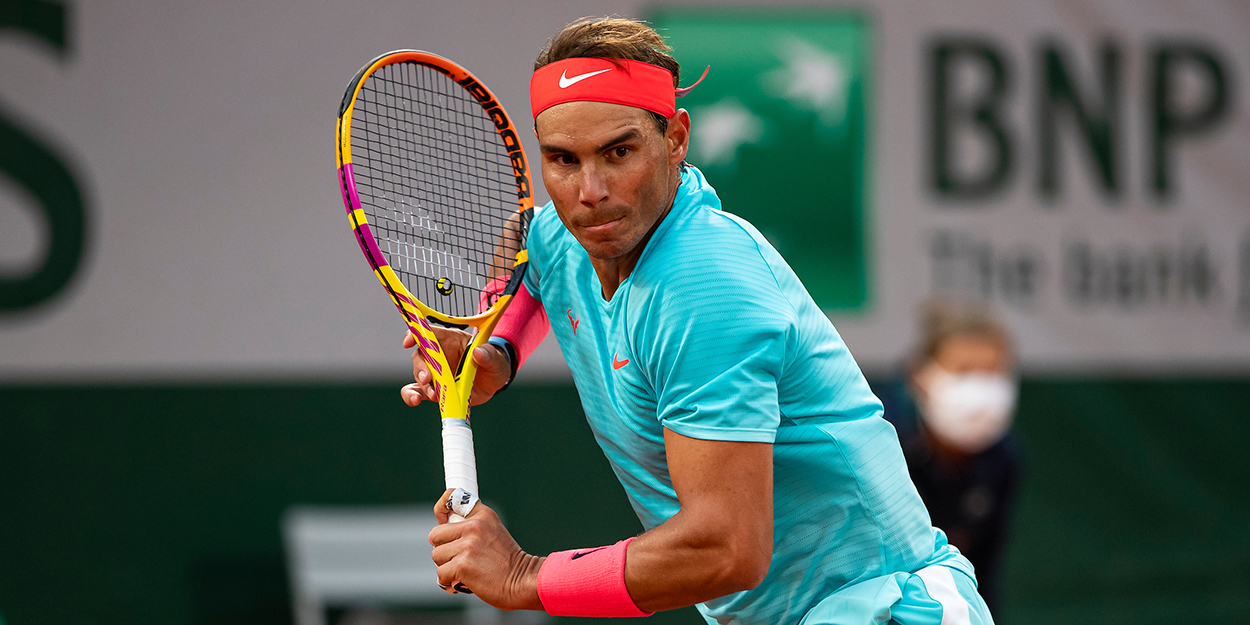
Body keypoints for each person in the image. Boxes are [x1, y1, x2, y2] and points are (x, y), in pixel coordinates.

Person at [400, 17, 994, 625]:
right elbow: (535, 250)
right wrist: (491, 354)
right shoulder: (566, 229)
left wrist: (525, 577)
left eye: (619, 152)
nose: (590, 190)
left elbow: (726, 549)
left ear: (676, 139)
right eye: (562, 159)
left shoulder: (704, 289)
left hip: (881, 608)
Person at [880, 300, 1023, 614]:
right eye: (965, 371)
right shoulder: (878, 439)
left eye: (992, 374)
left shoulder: (1003, 459)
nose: (980, 391)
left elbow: (982, 576)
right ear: (920, 375)